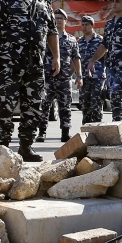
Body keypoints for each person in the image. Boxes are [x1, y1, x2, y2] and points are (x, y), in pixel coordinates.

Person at [0, 0, 58, 161]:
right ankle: (2, 148)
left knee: (34, 106)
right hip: (9, 63)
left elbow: (52, 32)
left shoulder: (45, 4)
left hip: (35, 65)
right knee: (4, 105)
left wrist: (57, 57)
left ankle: (26, 147)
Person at [39, 8, 81, 143]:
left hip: (64, 79)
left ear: (65, 21)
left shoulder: (71, 39)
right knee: (44, 106)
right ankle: (42, 132)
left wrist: (77, 75)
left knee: (65, 107)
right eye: (55, 18)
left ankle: (65, 132)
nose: (58, 20)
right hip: (47, 77)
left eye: (60, 18)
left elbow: (76, 58)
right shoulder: (46, 38)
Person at [76, 15, 106, 124]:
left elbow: (107, 58)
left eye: (87, 25)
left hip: (97, 78)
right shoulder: (79, 42)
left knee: (97, 104)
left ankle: (97, 130)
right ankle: (86, 130)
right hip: (84, 78)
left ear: (92, 26)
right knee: (85, 105)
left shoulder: (100, 41)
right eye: (82, 25)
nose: (84, 27)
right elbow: (76, 60)